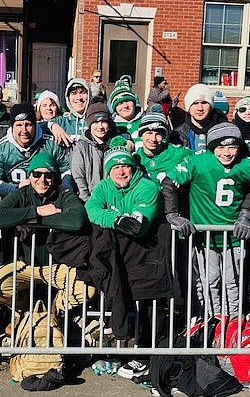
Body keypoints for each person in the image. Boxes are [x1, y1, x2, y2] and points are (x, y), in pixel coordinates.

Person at [162, 122, 250, 317]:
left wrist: (246, 213)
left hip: (234, 235)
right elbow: (169, 182)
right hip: (206, 237)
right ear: (212, 147)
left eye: (232, 147)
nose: (227, 152)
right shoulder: (198, 161)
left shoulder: (246, 164)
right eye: (221, 147)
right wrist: (173, 214)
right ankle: (215, 321)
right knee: (210, 281)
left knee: (233, 282)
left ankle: (233, 322)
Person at [85, 136, 173, 353]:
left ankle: (148, 354)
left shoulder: (147, 187)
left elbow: (137, 226)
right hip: (120, 257)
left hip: (148, 254)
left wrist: (116, 220)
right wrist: (116, 219)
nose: (121, 171)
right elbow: (91, 209)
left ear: (133, 168)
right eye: (115, 167)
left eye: (125, 166)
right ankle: (122, 347)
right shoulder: (104, 186)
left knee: (149, 305)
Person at [0, 152, 95, 323]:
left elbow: (77, 220)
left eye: (48, 175)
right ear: (30, 176)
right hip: (24, 263)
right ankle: (25, 312)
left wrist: (25, 219)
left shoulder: (63, 193)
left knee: (86, 289)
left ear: (55, 177)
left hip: (57, 265)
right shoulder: (22, 193)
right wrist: (38, 211)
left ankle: (54, 311)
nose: (42, 179)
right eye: (37, 174)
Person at [0, 103, 71, 199]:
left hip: (49, 198)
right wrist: (16, 188)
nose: (24, 130)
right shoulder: (2, 147)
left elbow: (66, 170)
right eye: (19, 125)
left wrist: (66, 186)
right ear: (12, 127)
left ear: (35, 124)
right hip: (15, 199)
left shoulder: (51, 143)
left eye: (28, 125)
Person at [70, 102, 117, 202]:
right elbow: (78, 177)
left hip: (112, 200)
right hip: (89, 200)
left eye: (104, 122)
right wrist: (88, 201)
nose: (100, 126)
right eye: (95, 122)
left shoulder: (115, 145)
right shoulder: (81, 146)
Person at [134, 108, 193, 184]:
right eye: (149, 133)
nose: (153, 139)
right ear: (141, 135)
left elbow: (200, 161)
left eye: (158, 134)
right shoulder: (135, 158)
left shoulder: (177, 153)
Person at [169, 83, 228, 151]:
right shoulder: (178, 134)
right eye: (195, 103)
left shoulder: (224, 130)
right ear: (188, 107)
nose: (200, 108)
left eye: (204, 103)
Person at [109, 81, 144, 149]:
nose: (125, 106)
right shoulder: (112, 126)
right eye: (120, 103)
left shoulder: (145, 121)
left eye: (128, 101)